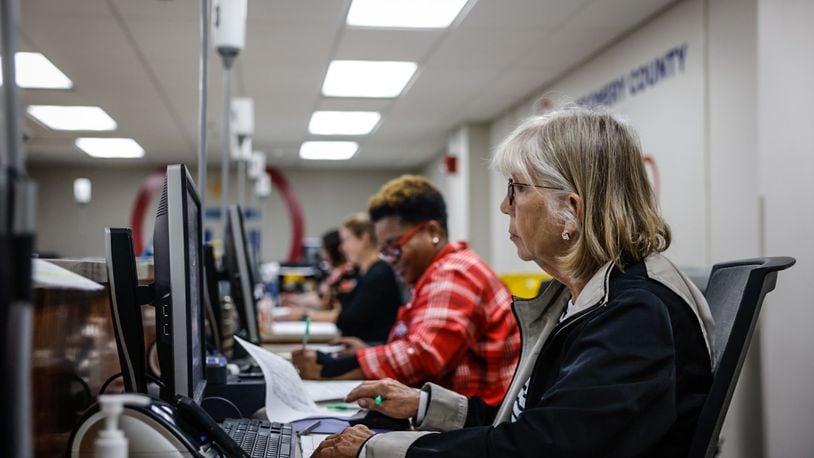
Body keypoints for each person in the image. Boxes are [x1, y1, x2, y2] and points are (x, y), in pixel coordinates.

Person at [311, 107, 715, 458]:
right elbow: (529, 421)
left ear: (570, 211)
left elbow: (536, 448)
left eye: (518, 188)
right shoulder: (582, 297)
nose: (505, 205)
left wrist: (375, 449)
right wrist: (422, 405)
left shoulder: (633, 314)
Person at [293, 176, 520, 407]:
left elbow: (424, 355)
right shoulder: (438, 273)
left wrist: (329, 368)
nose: (389, 259)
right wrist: (372, 352)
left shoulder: (455, 272)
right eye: (385, 249)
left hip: (477, 424)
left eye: (395, 245)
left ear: (432, 231)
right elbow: (421, 342)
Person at [332, 212, 403, 342]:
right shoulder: (363, 273)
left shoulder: (379, 274)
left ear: (364, 238)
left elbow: (348, 320)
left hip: (373, 347)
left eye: (346, 240)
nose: (342, 248)